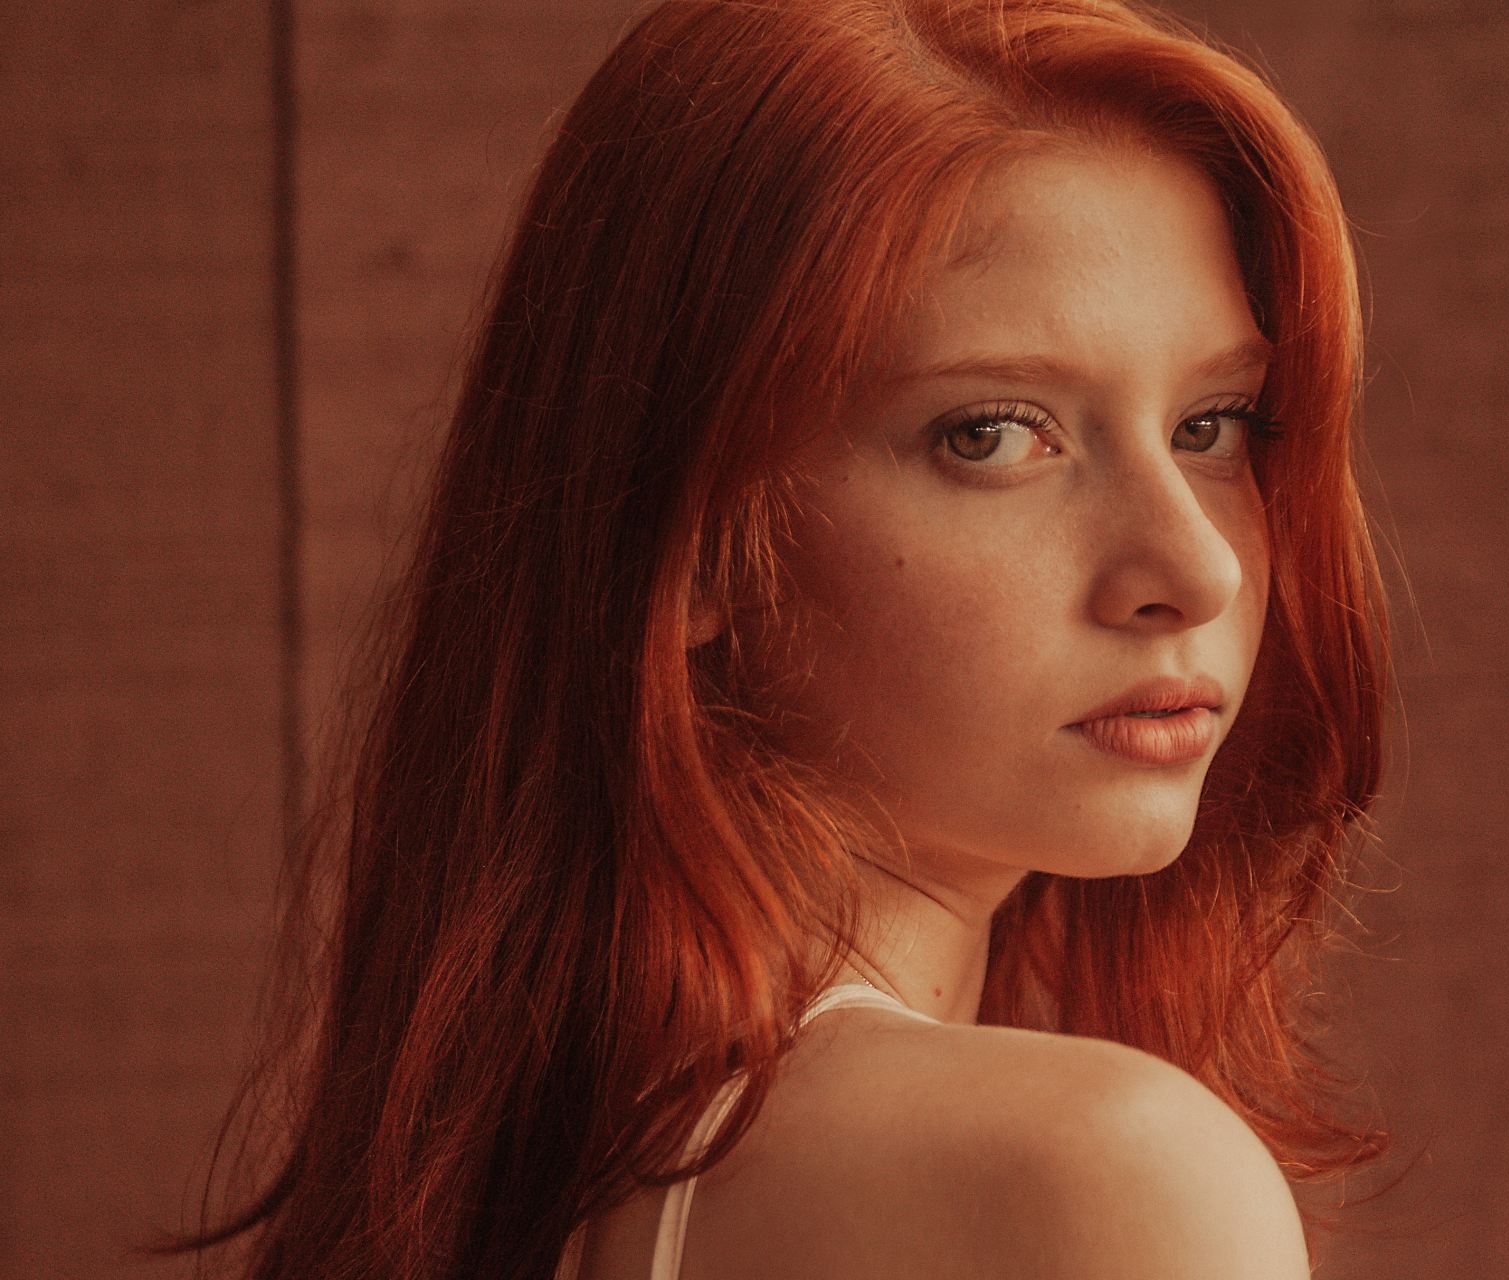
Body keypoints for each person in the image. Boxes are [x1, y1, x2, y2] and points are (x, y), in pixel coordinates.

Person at [160, 0, 1391, 1276]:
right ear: (687, 544)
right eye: (993, 433)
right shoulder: (1105, 1177)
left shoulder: (555, 1174)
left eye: (1217, 425)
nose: (1192, 565)